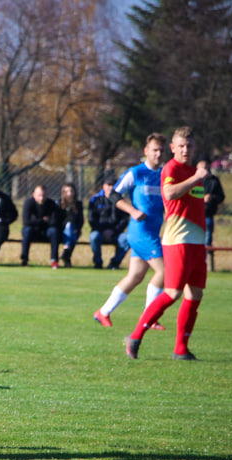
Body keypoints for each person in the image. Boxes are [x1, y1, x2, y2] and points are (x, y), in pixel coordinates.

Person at [125, 126, 209, 361]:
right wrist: (196, 179)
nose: (185, 149)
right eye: (181, 146)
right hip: (178, 241)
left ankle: (181, 349)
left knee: (195, 295)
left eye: (189, 145)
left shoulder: (194, 171)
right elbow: (170, 194)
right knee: (172, 293)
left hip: (197, 242)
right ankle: (135, 335)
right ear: (172, 148)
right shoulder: (172, 168)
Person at [94, 133, 166, 329]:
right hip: (141, 232)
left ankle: (103, 312)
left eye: (161, 150)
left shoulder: (164, 175)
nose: (158, 154)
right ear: (146, 151)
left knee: (135, 276)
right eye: (154, 150)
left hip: (152, 231)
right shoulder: (136, 172)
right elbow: (113, 194)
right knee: (164, 271)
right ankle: (149, 318)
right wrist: (132, 211)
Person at [88, 175, 130, 270]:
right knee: (94, 237)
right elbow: (91, 219)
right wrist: (102, 230)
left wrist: (114, 231)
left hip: (116, 233)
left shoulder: (121, 201)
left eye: (113, 185)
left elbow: (124, 219)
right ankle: (98, 262)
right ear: (103, 186)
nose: (111, 187)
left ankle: (115, 262)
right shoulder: (96, 200)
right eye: (109, 184)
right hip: (99, 232)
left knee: (127, 238)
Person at [20, 185, 62, 268]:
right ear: (34, 195)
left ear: (47, 195)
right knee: (27, 230)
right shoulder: (28, 203)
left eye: (43, 195)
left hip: (46, 232)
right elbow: (26, 221)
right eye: (39, 195)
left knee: (54, 231)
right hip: (33, 231)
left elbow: (55, 222)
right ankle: (24, 260)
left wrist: (35, 220)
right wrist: (43, 220)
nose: (41, 198)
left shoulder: (52, 204)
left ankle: (54, 261)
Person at [202, 158, 225, 269]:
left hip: (208, 215)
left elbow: (221, 197)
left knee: (207, 241)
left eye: (205, 168)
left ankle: (204, 263)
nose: (203, 170)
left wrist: (212, 198)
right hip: (194, 217)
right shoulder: (192, 180)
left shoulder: (214, 181)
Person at [59, 183, 83, 268]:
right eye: (67, 191)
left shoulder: (78, 204)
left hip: (74, 230)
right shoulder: (59, 203)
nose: (69, 193)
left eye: (71, 191)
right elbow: (59, 219)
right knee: (70, 227)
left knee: (73, 234)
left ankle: (66, 252)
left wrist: (77, 228)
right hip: (62, 230)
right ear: (63, 192)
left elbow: (80, 220)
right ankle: (67, 256)